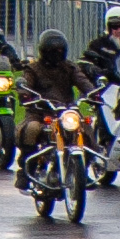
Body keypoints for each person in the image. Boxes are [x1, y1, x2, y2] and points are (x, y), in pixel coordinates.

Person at [16, 27, 82, 163]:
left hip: (66, 111)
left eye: (60, 50)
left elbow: (82, 81)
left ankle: (91, 160)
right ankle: (28, 162)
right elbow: (25, 84)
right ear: (43, 51)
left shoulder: (70, 68)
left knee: (85, 127)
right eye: (52, 51)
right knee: (32, 128)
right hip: (40, 112)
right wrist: (25, 95)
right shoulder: (33, 68)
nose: (56, 54)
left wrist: (94, 94)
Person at [79, 4, 120, 91]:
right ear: (108, 28)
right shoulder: (98, 44)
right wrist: (95, 70)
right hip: (108, 87)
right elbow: (84, 62)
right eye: (115, 27)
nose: (119, 30)